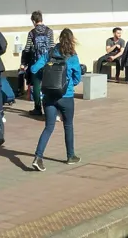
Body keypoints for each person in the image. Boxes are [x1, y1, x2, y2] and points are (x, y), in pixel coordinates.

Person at [30, 29, 82, 172]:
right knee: (68, 125)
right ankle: (71, 156)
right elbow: (78, 77)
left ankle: (38, 157)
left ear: (59, 38)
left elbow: (34, 69)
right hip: (66, 95)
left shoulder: (50, 52)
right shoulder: (72, 56)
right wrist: (71, 83)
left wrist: (44, 78)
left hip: (48, 95)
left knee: (48, 127)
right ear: (72, 40)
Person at [20, 10, 55, 116]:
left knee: (37, 86)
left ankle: (37, 108)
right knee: (49, 85)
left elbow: (27, 49)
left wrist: (23, 63)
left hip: (36, 62)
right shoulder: (49, 31)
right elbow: (52, 47)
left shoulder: (32, 33)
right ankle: (49, 107)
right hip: (48, 63)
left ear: (34, 21)